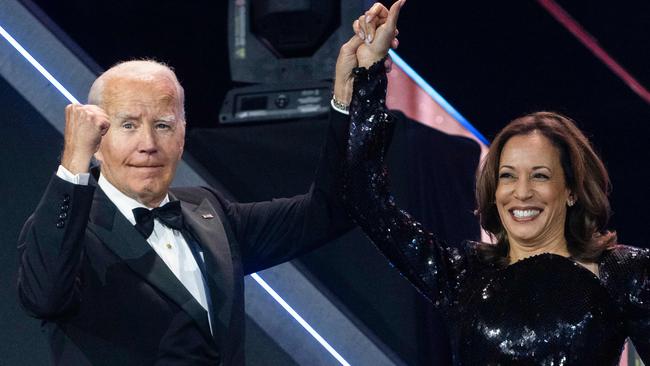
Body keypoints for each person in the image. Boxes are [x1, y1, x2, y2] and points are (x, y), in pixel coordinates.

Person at [333, 1, 650, 364]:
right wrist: (371, 70)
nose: (522, 192)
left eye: (541, 176)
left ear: (573, 191)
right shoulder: (463, 277)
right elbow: (365, 199)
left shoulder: (623, 273)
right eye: (507, 176)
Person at [16, 54, 365, 365]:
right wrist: (73, 160)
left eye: (163, 125)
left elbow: (330, 209)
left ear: (182, 135)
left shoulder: (208, 210)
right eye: (128, 125)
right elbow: (44, 298)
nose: (149, 145)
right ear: (96, 141)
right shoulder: (69, 231)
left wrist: (349, 93)